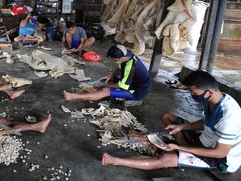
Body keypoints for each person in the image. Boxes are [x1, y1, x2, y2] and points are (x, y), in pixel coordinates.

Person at [102, 71, 241, 173]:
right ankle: (184, 148)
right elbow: (207, 123)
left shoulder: (229, 116)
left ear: (209, 92)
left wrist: (179, 148)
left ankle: (115, 161)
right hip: (205, 140)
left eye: (194, 93)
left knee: (166, 159)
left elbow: (220, 153)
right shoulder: (214, 99)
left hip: (221, 159)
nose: (192, 96)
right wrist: (182, 126)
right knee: (168, 118)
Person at [63, 45, 151, 102]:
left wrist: (104, 85)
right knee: (110, 79)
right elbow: (120, 68)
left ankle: (73, 96)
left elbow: (122, 86)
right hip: (135, 82)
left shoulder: (131, 67)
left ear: (121, 58)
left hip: (137, 91)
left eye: (114, 60)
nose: (112, 61)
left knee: (104, 91)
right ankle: (110, 92)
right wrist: (111, 74)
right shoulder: (127, 54)